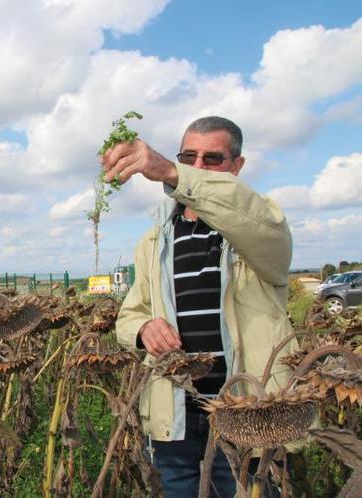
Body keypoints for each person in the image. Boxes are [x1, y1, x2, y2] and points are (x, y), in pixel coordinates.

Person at [103, 116, 296, 497]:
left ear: (236, 167)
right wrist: (143, 330)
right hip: (175, 413)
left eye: (213, 159)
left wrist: (173, 173)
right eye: (189, 156)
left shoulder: (257, 226)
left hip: (247, 413)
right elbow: (129, 315)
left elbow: (257, 225)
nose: (199, 167)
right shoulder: (155, 239)